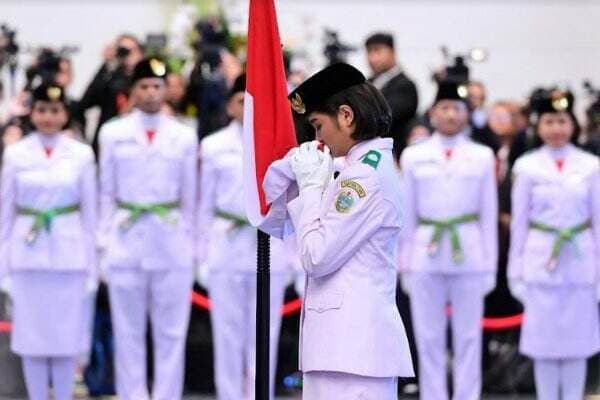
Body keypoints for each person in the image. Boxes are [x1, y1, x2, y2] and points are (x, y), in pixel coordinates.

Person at [286, 63, 413, 399]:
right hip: (343, 349)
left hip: (352, 350)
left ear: (346, 116)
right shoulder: (358, 168)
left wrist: (312, 187)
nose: (318, 139)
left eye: (318, 125)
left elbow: (317, 256)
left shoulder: (363, 177)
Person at [98, 57, 197, 400]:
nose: (151, 92)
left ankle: (167, 395)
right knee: (128, 332)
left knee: (171, 333)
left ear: (166, 89)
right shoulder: (112, 132)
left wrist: (193, 247)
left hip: (171, 243)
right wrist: (103, 244)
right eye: (144, 86)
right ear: (133, 91)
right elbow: (106, 193)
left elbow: (191, 198)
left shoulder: (184, 135)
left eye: (157, 86)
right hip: (126, 241)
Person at [197, 73, 301, 400]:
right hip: (226, 245)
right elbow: (203, 204)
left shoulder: (282, 147)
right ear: (229, 105)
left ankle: (262, 395)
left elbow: (293, 203)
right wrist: (201, 255)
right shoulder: (212, 146)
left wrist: (295, 256)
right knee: (226, 334)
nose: (248, 108)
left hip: (270, 243)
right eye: (242, 101)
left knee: (265, 333)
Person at [399, 80, 498, 400]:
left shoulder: (483, 156)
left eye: (457, 109)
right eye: (445, 108)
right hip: (425, 252)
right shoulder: (414, 156)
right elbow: (407, 214)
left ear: (467, 114)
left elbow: (488, 215)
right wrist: (405, 265)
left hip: (469, 251)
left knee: (468, 336)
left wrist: (490, 266)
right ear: (432, 113)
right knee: (429, 337)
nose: (451, 115)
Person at [0, 83, 97, 400]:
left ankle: (65, 395)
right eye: (42, 110)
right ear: (32, 113)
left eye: (55, 111)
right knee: (31, 339)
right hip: (27, 258)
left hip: (69, 257)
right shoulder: (16, 154)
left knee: (66, 338)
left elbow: (90, 214)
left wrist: (92, 267)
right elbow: (5, 213)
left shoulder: (81, 154)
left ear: (65, 114)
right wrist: (3, 268)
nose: (48, 117)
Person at [508, 89, 600, 400]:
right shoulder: (526, 165)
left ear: (572, 124)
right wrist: (515, 271)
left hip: (580, 259)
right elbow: (519, 223)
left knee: (577, 344)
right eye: (549, 121)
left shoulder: (591, 165)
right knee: (543, 344)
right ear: (538, 125)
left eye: (562, 120)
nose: (556, 128)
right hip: (540, 259)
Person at [74, 34, 144, 154]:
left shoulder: (148, 80)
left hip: (138, 141)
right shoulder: (109, 77)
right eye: (123, 50)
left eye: (132, 50)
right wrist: (106, 65)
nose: (128, 55)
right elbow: (86, 103)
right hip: (108, 143)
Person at [365, 32, 418, 159]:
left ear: (393, 52)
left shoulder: (405, 85)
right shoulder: (366, 84)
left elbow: (387, 117)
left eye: (377, 51)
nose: (372, 58)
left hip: (394, 155)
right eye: (369, 52)